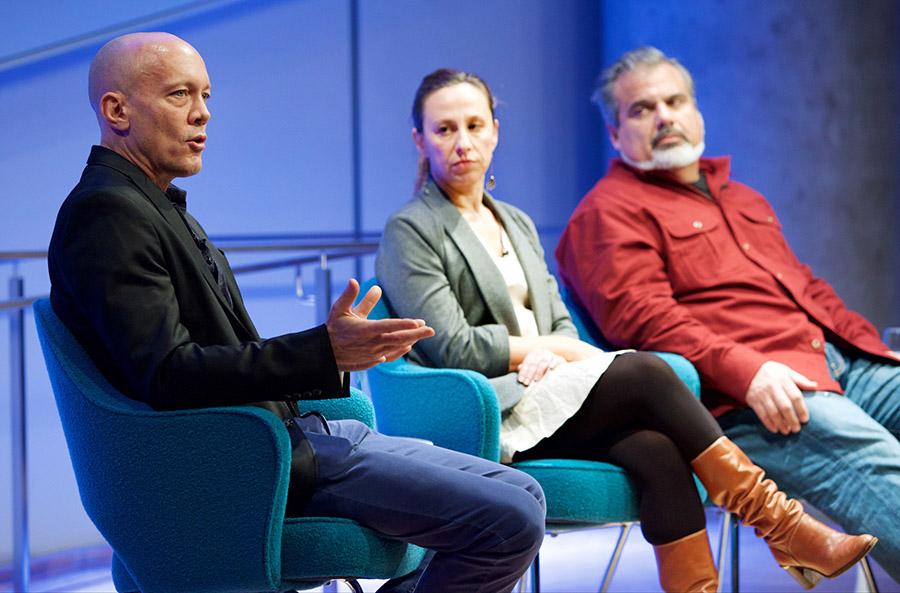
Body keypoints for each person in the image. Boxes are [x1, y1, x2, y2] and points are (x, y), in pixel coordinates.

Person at [48, 32, 548, 593]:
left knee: (526, 493)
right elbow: (169, 374)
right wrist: (323, 351)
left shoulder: (149, 203)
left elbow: (211, 355)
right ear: (117, 110)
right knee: (510, 521)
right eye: (179, 95)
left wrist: (331, 353)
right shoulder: (107, 214)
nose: (202, 114)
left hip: (293, 437)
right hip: (252, 462)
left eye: (206, 95)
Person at [375, 67, 876, 593]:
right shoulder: (411, 228)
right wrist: (543, 351)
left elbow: (559, 319)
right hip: (489, 407)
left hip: (549, 387)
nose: (463, 143)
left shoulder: (515, 222)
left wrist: (554, 352)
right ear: (420, 140)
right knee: (647, 371)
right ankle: (783, 525)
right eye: (445, 129)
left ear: (495, 131)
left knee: (658, 453)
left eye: (475, 125)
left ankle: (752, 553)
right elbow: (452, 344)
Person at [557, 45, 900, 581]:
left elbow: (808, 290)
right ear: (614, 133)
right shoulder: (606, 214)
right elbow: (648, 323)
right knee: (885, 466)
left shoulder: (743, 198)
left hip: (836, 363)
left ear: (697, 112)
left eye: (675, 101)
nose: (664, 116)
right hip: (754, 399)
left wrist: (877, 352)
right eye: (642, 109)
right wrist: (749, 370)